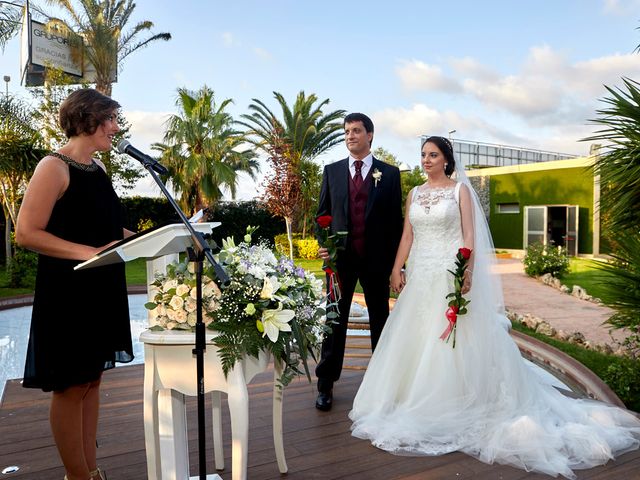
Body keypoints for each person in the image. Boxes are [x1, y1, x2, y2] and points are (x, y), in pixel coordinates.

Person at [349, 136, 640, 478]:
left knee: (450, 341)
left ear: (446, 159)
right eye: (423, 155)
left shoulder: (459, 192)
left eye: (433, 155)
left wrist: (466, 272)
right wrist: (397, 268)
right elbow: (407, 237)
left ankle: (451, 401)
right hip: (420, 276)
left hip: (448, 275)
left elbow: (469, 235)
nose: (426, 160)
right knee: (414, 337)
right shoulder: (414, 193)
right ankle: (407, 395)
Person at [16, 89, 135, 480]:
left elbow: (102, 225)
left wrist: (144, 239)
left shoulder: (97, 170)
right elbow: (27, 232)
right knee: (70, 386)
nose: (116, 128)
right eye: (111, 119)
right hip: (68, 294)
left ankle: (90, 470)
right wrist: (85, 251)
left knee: (91, 380)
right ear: (88, 119)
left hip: (101, 290)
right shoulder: (54, 166)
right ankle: (78, 476)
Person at [314, 112, 403, 411]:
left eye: (356, 130)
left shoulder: (389, 174)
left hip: (376, 262)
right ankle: (325, 384)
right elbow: (321, 216)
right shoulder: (332, 171)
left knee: (381, 321)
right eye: (347, 131)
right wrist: (324, 245)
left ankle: (382, 384)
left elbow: (395, 223)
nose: (350, 135)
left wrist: (395, 266)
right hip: (340, 263)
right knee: (334, 322)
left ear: (370, 135)